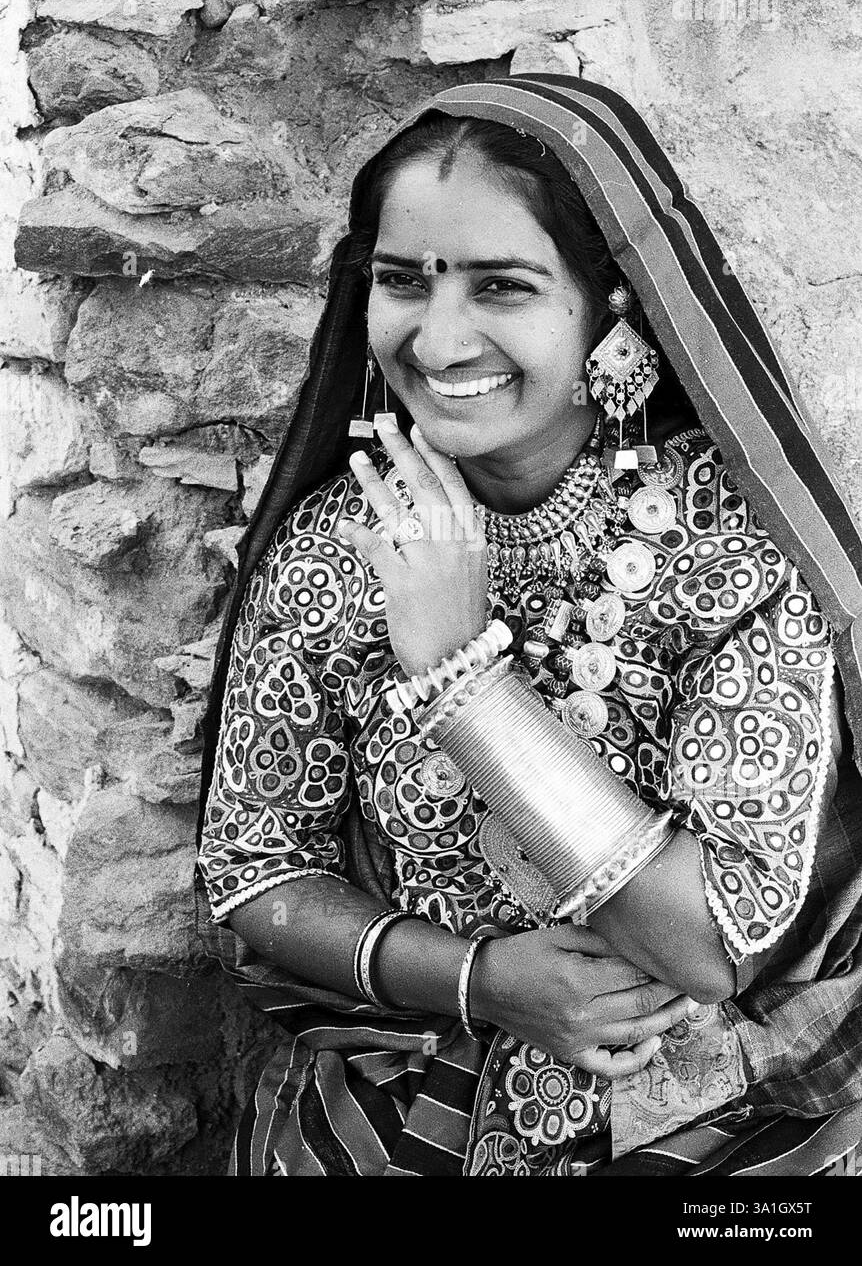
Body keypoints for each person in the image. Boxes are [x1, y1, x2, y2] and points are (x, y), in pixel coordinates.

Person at [195, 74, 862, 1176]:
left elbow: (709, 942)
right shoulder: (331, 551)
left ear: (610, 304)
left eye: (501, 287)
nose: (439, 337)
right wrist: (479, 979)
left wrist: (465, 678)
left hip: (730, 1124)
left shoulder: (727, 551)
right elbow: (256, 867)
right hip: (405, 1109)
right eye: (402, 281)